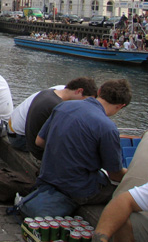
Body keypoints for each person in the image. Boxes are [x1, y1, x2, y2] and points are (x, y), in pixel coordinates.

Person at [35, 79, 131, 207]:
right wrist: (131, 174)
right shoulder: (108, 128)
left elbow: (39, 141)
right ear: (121, 106)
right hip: (77, 189)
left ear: (99, 91)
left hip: (47, 177)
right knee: (124, 193)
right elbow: (114, 174)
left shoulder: (63, 106)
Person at [24, 77, 98, 160]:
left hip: (32, 147)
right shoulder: (59, 107)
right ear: (79, 91)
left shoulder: (47, 92)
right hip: (40, 155)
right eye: (86, 101)